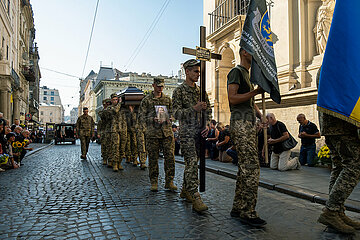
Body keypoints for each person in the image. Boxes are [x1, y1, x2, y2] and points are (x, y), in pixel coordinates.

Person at [227, 48, 266, 227]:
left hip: (248, 123)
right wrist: (255, 92)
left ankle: (238, 206)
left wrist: (260, 116)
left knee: (244, 168)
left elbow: (250, 102)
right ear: (243, 52)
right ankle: (248, 211)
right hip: (240, 123)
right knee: (251, 167)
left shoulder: (247, 75)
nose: (255, 55)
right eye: (252, 51)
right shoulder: (236, 72)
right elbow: (233, 98)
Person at [172, 59, 211, 213]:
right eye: (195, 71)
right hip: (187, 132)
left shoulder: (201, 91)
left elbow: (208, 110)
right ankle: (195, 196)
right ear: (187, 71)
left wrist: (207, 124)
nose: (198, 74)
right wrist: (194, 108)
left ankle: (185, 189)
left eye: (199, 72)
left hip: (200, 132)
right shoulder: (179, 91)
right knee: (192, 162)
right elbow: (176, 113)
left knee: (193, 163)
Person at [317, 113, 360, 233]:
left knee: (339, 166)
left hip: (332, 122)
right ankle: (331, 210)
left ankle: (337, 212)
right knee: (354, 164)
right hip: (341, 122)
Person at [139, 77, 177, 192]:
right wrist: (152, 119)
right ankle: (154, 181)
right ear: (153, 85)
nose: (160, 88)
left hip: (167, 132)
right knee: (153, 158)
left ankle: (169, 181)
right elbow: (141, 116)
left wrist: (171, 117)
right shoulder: (146, 100)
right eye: (158, 86)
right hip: (153, 133)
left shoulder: (167, 100)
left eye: (162, 86)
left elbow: (173, 112)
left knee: (170, 157)